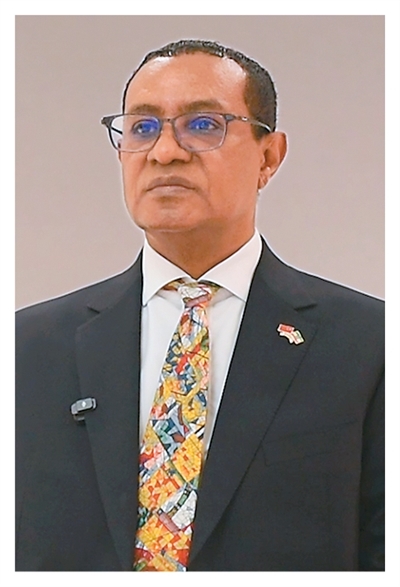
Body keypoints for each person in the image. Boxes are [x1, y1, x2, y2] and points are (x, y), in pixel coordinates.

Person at [15, 39, 384, 572]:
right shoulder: (28, 349)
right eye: (142, 127)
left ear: (269, 156)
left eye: (203, 125)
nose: (165, 152)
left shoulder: (369, 346)